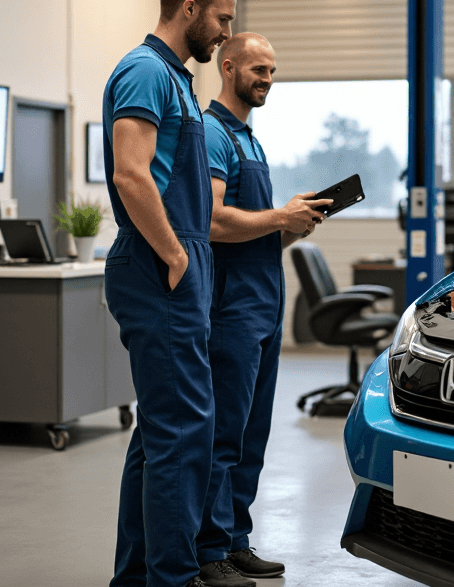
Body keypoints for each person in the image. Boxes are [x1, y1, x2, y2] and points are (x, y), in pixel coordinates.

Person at [103, 0, 240, 587]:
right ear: (189, 9)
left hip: (177, 266)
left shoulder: (176, 78)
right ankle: (175, 579)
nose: (226, 33)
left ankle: (139, 576)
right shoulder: (145, 71)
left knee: (161, 434)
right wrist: (177, 254)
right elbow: (131, 174)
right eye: (221, 19)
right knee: (183, 433)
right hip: (158, 266)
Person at [195, 33, 330, 587]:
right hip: (232, 307)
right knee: (225, 432)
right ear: (228, 68)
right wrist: (279, 217)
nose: (267, 79)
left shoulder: (250, 140)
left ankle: (236, 539)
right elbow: (211, 220)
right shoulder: (212, 133)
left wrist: (293, 226)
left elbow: (256, 231)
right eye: (257, 69)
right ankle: (209, 552)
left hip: (264, 302)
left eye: (272, 70)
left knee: (253, 433)